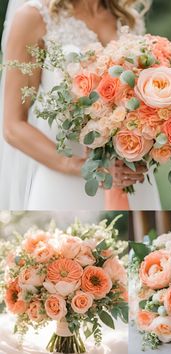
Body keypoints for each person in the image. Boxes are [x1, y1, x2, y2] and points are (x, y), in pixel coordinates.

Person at [0, 0, 161, 210]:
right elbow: (13, 127)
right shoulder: (34, 17)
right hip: (64, 183)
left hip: (131, 179)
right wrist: (82, 166)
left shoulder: (129, 19)